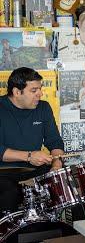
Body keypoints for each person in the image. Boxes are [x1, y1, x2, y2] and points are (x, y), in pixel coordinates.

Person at [0, 67, 64, 212]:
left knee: (75, 195)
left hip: (36, 170)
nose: (40, 94)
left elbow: (54, 141)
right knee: (10, 195)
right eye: (34, 90)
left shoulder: (43, 108)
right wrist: (29, 156)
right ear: (17, 92)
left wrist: (56, 164)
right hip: (4, 172)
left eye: (40, 89)